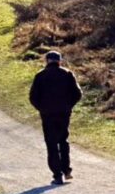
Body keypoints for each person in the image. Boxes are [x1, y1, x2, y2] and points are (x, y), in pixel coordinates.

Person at [29, 51, 83, 185]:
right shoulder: (67, 74)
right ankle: (67, 170)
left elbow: (33, 97)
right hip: (64, 113)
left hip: (47, 114)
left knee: (51, 143)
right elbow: (78, 94)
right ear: (59, 61)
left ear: (47, 61)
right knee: (63, 140)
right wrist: (69, 105)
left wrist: (41, 108)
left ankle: (57, 175)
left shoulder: (40, 76)